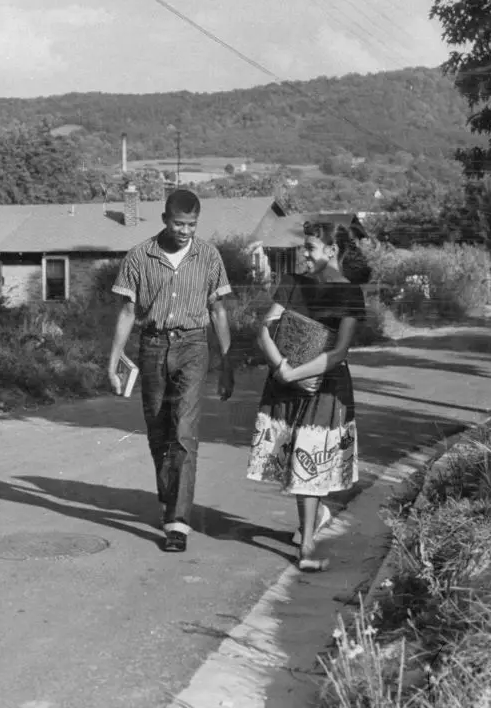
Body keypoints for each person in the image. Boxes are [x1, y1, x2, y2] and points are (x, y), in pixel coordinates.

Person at [108, 188, 234, 553]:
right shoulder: (139, 256)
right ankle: (170, 494)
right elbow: (128, 313)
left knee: (184, 430)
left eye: (192, 225)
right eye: (179, 224)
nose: (185, 231)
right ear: (165, 219)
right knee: (158, 430)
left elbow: (219, 310)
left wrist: (226, 363)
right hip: (152, 346)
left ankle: (177, 521)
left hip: (194, 345)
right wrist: (114, 359)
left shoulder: (208, 255)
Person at [246, 220, 369, 572]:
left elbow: (339, 352)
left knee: (307, 458)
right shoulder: (292, 283)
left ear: (332, 251)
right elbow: (264, 330)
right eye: (304, 247)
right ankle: (313, 521)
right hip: (287, 381)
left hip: (325, 386)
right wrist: (282, 369)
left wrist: (295, 374)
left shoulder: (349, 293)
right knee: (296, 461)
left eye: (311, 248)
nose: (305, 254)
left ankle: (308, 546)